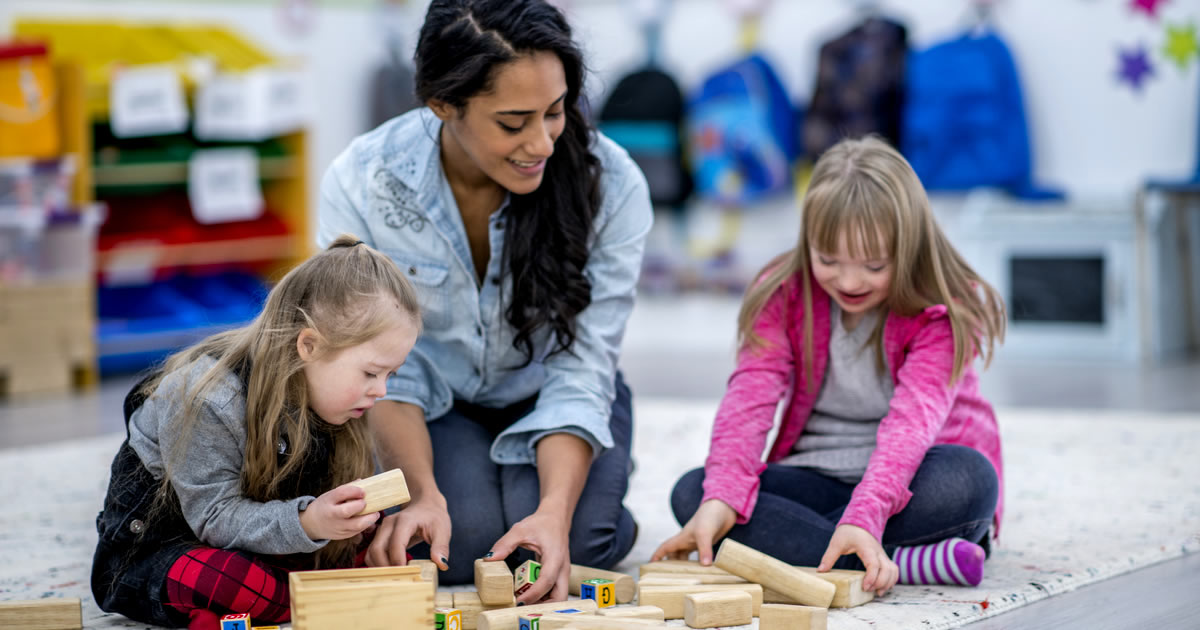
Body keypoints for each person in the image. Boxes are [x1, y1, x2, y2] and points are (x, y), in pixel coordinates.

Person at [317, 0, 652, 603]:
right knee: (449, 546)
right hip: (433, 405)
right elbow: (391, 372)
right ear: (443, 105)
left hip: (552, 393)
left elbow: (582, 365)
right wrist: (421, 491)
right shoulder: (364, 180)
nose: (543, 143)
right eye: (513, 122)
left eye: (555, 112)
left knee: (576, 539)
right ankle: (499, 486)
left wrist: (553, 511)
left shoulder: (615, 183)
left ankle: (586, 489)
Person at [652, 136, 1006, 596]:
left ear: (910, 248)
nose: (849, 281)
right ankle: (901, 559)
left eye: (874, 265)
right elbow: (750, 397)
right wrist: (722, 495)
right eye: (828, 260)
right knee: (697, 493)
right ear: (808, 243)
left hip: (912, 476)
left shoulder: (941, 311)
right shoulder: (785, 293)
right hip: (817, 474)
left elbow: (911, 427)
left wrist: (867, 513)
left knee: (970, 479)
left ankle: (841, 543)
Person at [91, 236, 422, 627]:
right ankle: (315, 592)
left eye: (390, 374)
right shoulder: (207, 397)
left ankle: (299, 589)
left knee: (380, 536)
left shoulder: (337, 398)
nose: (381, 390)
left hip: (262, 539)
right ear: (309, 346)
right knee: (232, 584)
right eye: (371, 372)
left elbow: (323, 506)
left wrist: (355, 519)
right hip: (164, 549)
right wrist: (308, 524)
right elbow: (214, 517)